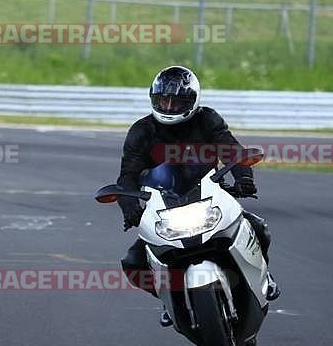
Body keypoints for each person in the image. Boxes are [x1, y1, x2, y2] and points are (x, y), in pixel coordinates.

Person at [116, 65, 281, 326]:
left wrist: (244, 179)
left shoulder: (207, 120)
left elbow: (232, 151)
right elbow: (127, 175)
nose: (169, 107)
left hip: (208, 194)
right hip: (164, 205)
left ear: (192, 101)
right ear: (153, 99)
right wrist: (129, 207)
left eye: (176, 101)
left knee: (258, 228)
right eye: (163, 100)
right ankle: (168, 300)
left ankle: (265, 278)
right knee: (133, 261)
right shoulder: (141, 130)